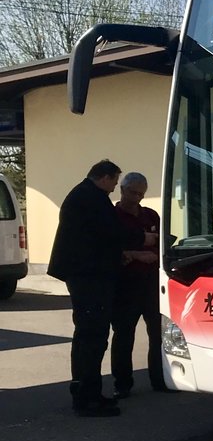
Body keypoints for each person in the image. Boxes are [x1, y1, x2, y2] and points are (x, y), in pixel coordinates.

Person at [47, 160, 149, 417]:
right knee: (92, 335)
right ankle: (87, 396)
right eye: (115, 182)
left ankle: (85, 389)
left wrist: (119, 254)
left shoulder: (83, 195)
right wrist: (142, 239)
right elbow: (110, 231)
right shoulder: (92, 198)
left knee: (87, 334)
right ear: (104, 177)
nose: (115, 188)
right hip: (90, 276)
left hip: (85, 273)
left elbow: (98, 236)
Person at [111, 171, 168, 396]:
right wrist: (135, 254)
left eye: (141, 194)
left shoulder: (151, 216)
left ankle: (160, 379)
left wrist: (154, 254)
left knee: (158, 334)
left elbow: (164, 243)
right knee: (124, 334)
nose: (137, 198)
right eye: (133, 193)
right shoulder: (111, 217)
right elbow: (109, 248)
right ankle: (122, 384)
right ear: (122, 190)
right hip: (125, 285)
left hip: (152, 284)